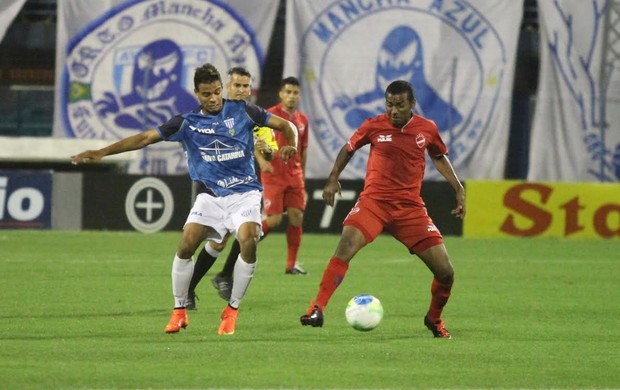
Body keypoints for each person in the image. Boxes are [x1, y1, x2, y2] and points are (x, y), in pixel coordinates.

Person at [71, 63, 297, 336]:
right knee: (186, 245)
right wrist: (101, 152)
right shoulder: (186, 122)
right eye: (206, 94)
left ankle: (231, 311)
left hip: (244, 193)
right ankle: (179, 311)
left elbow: (286, 125)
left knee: (248, 240)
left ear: (221, 89)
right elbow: (144, 138)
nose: (213, 98)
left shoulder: (243, 111)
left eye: (216, 92)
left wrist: (291, 144)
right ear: (196, 94)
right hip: (210, 197)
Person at [299, 80, 465, 338]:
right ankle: (317, 308)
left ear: (412, 104)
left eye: (400, 105)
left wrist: (458, 189)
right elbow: (349, 148)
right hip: (374, 203)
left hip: (410, 209)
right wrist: (333, 177)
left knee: (446, 272)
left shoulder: (427, 129)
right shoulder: (374, 125)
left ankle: (434, 319)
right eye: (389, 105)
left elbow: (438, 156)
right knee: (345, 247)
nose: (394, 111)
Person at [185, 66, 278, 310]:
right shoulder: (212, 111)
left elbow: (270, 149)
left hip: (244, 186)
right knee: (217, 240)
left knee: (241, 234)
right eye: (237, 85)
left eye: (246, 86)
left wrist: (264, 149)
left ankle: (215, 279)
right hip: (214, 183)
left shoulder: (254, 115)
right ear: (227, 87)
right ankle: (194, 286)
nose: (241, 90)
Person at [209, 76, 310, 300]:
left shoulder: (303, 119)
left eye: (296, 92)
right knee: (273, 221)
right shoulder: (268, 114)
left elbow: (303, 149)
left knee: (296, 218)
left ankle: (291, 264)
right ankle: (245, 239)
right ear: (281, 94)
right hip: (273, 174)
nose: (292, 96)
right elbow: (253, 138)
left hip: (295, 176)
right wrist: (262, 161)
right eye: (288, 92)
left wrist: (302, 173)